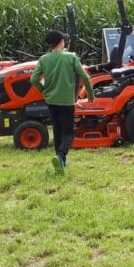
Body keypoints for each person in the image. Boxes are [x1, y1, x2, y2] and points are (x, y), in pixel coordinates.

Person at [30, 30, 94, 174]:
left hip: (51, 100)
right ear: (61, 42)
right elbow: (85, 76)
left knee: (57, 129)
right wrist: (90, 93)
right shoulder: (71, 57)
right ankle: (60, 156)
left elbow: (33, 79)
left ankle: (61, 164)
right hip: (66, 101)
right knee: (68, 133)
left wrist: (44, 91)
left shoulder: (44, 59)